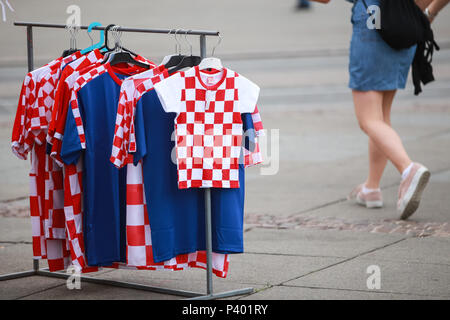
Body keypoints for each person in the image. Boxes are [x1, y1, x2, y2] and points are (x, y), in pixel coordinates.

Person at [310, 0, 449, 219]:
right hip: (404, 25)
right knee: (381, 116)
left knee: (369, 119)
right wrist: (429, 12)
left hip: (373, 24)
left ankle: (408, 169)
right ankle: (371, 187)